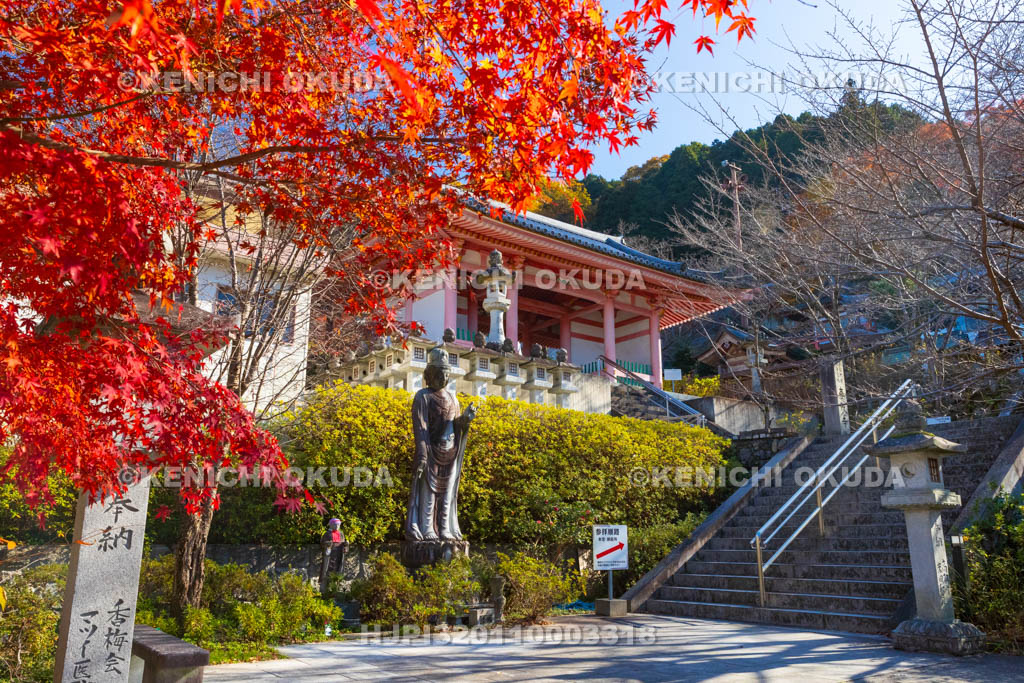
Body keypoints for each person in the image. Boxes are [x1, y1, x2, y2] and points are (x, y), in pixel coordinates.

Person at [405, 347, 477, 541]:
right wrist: (422, 453)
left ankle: (444, 527)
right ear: (430, 375)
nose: (443, 378)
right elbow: (420, 428)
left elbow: (455, 425)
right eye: (439, 374)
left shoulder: (453, 398)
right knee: (428, 493)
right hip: (431, 450)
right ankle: (427, 527)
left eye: (445, 374)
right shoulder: (423, 397)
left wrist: (466, 419)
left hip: (450, 450)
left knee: (447, 494)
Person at [319, 518, 347, 596]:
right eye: (335, 524)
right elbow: (322, 543)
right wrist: (328, 544)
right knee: (327, 570)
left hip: (339, 554)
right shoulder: (327, 534)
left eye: (339, 525)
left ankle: (336, 589)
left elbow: (344, 543)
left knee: (338, 570)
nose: (337, 526)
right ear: (331, 525)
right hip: (330, 555)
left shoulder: (341, 533)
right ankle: (324, 590)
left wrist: (345, 545)